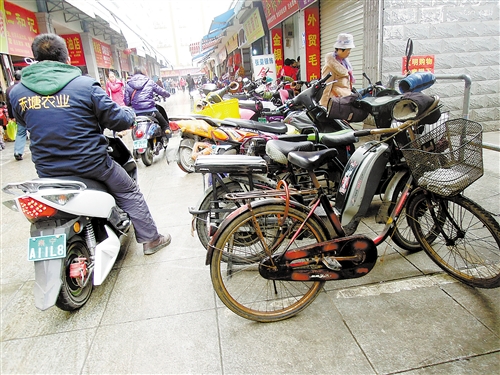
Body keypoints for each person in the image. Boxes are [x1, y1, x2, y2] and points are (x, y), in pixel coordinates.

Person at [9, 33, 170, 255]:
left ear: (35, 58)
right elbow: (117, 119)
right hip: (92, 164)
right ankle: (152, 239)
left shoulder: (17, 92)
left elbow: (22, 122)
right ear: (67, 58)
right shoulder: (85, 85)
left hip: (48, 170)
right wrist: (129, 113)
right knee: (130, 191)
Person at [124, 66, 171, 141]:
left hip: (136, 113)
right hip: (150, 110)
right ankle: (166, 131)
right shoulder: (149, 81)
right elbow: (161, 91)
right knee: (164, 124)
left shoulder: (128, 84)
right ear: (144, 72)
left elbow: (126, 101)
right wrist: (167, 94)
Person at [319, 33, 356, 107]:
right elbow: (326, 88)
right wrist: (324, 106)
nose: (349, 52)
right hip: (335, 104)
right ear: (340, 49)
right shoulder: (330, 67)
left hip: (344, 102)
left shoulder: (345, 63)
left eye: (350, 49)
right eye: (347, 50)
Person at [6, 71, 25, 160]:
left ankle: (18, 151)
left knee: (20, 133)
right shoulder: (26, 88)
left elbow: (9, 105)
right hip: (28, 113)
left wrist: (11, 116)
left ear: (14, 78)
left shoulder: (9, 89)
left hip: (17, 114)